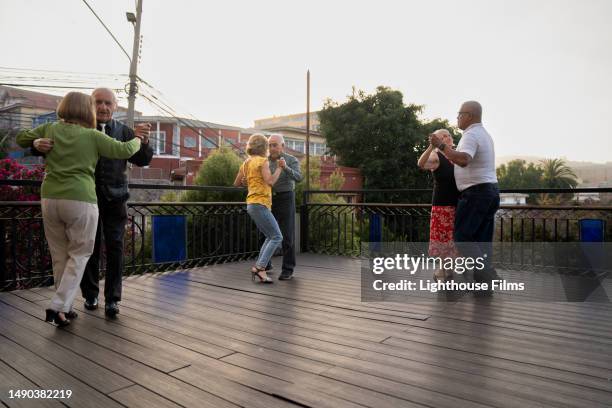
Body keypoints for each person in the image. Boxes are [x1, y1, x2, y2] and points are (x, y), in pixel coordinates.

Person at [16, 92, 142, 326]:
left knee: (59, 255)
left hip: (50, 197)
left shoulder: (50, 129)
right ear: (88, 110)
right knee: (81, 253)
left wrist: (35, 142)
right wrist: (138, 139)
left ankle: (64, 308)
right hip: (80, 199)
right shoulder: (93, 136)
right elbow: (124, 151)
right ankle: (57, 305)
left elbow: (21, 138)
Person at [429, 101, 500, 290]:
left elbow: (463, 159)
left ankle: (488, 274)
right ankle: (483, 285)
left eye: (459, 114)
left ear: (468, 115)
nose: (457, 118)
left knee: (462, 237)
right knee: (482, 240)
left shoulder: (471, 135)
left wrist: (442, 147)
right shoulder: (484, 135)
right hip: (489, 191)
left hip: (476, 193)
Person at [234, 134, 283, 283]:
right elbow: (270, 181)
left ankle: (260, 268)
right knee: (277, 237)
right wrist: (280, 168)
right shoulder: (263, 161)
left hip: (251, 204)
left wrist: (246, 182)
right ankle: (260, 268)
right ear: (264, 148)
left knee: (270, 236)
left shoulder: (246, 163)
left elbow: (237, 183)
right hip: (260, 204)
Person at [418, 129, 459, 282]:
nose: (448, 137)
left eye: (449, 135)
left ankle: (447, 271)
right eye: (443, 136)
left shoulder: (454, 156)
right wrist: (430, 146)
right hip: (442, 206)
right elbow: (421, 164)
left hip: (457, 205)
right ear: (438, 140)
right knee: (443, 241)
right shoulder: (436, 155)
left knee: (454, 240)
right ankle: (441, 271)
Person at [265, 134, 302, 280]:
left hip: (286, 197)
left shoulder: (291, 160)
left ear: (282, 146)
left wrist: (285, 167)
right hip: (269, 199)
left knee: (287, 235)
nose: (272, 148)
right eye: (270, 145)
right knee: (267, 233)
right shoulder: (265, 161)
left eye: (275, 145)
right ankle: (265, 264)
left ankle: (288, 269)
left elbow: (299, 178)